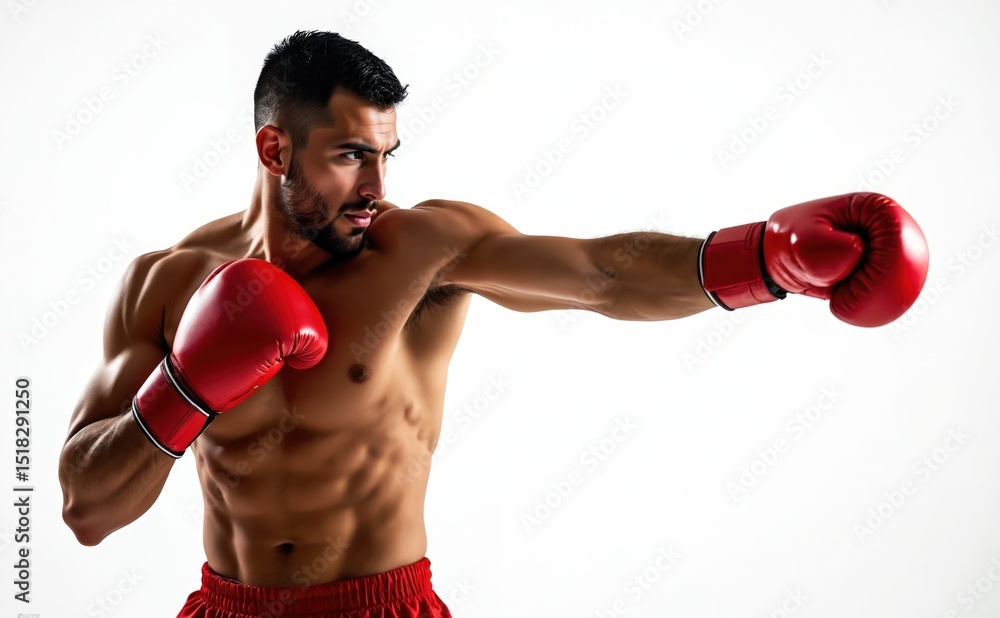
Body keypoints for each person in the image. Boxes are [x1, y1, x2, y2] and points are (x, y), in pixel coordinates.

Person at [57, 30, 929, 618]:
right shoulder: (164, 286)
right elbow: (84, 510)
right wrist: (182, 389)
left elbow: (596, 275)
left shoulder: (421, 251)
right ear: (274, 149)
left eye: (387, 154)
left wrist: (761, 259)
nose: (376, 188)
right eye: (350, 155)